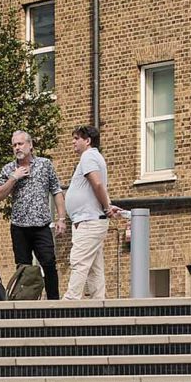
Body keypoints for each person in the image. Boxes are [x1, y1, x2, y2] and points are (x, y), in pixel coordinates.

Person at [59, 126, 124, 304]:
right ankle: (98, 302)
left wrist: (106, 207)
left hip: (88, 221)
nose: (73, 141)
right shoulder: (94, 157)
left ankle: (70, 300)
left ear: (87, 141)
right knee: (95, 267)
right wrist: (108, 206)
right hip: (90, 219)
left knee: (79, 261)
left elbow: (96, 184)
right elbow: (99, 186)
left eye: (76, 138)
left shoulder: (88, 156)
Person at [0, 130, 63, 299]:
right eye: (14, 145)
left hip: (41, 225)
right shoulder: (9, 169)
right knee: (23, 268)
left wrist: (61, 218)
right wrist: (13, 178)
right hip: (19, 226)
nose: (17, 148)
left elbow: (56, 191)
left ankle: (53, 302)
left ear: (30, 145)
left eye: (20, 144)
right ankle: (25, 303)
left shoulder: (45, 165)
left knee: (48, 263)